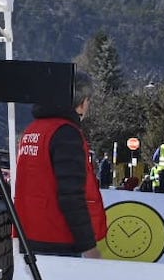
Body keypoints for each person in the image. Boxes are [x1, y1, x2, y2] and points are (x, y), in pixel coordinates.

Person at [14, 71, 109, 256]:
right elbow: (71, 195)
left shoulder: (33, 130)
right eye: (88, 100)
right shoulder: (66, 133)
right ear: (81, 103)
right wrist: (88, 245)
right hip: (58, 237)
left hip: (30, 232)